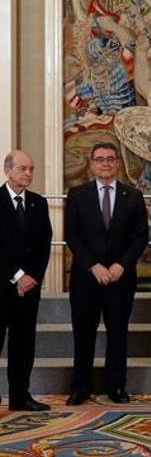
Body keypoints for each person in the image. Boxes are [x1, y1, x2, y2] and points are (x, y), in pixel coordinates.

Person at [64, 142, 148, 405]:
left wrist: (121, 265)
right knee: (84, 334)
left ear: (117, 164)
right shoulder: (77, 195)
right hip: (86, 278)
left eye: (110, 159)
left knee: (118, 334)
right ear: (92, 164)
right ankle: (80, 388)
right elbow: (72, 236)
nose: (105, 164)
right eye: (100, 159)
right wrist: (94, 266)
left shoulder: (132, 196)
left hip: (120, 279)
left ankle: (116, 387)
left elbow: (140, 237)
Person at [0, 150, 52, 411]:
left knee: (23, 345)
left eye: (31, 169)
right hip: (2, 286)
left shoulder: (38, 203)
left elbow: (44, 245)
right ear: (8, 171)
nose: (28, 174)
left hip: (29, 289)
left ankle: (20, 396)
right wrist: (17, 275)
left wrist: (32, 277)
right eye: (23, 169)